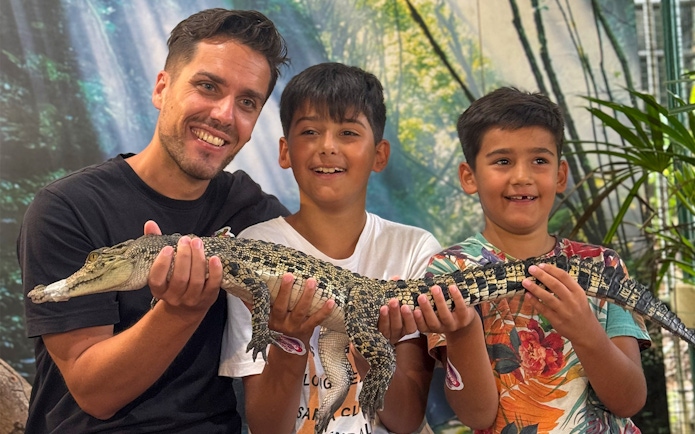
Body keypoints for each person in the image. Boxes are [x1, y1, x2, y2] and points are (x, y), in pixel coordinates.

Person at [18, 8, 292, 433]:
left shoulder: (252, 210)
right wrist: (179, 311)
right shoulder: (66, 207)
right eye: (207, 86)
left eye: (247, 102)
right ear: (162, 88)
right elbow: (96, 394)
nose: (223, 115)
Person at [219, 62, 497, 434]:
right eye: (310, 131)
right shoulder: (254, 248)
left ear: (379, 154)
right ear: (285, 152)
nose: (327, 147)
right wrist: (291, 341)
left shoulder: (414, 248)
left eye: (348, 132)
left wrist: (374, 350)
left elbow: (406, 419)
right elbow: (268, 427)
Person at [423, 86, 652, 433]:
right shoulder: (449, 270)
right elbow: (477, 416)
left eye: (539, 160)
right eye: (502, 161)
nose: (522, 176)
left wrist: (586, 331)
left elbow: (629, 400)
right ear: (469, 176)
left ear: (560, 175)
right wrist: (464, 331)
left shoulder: (601, 264)